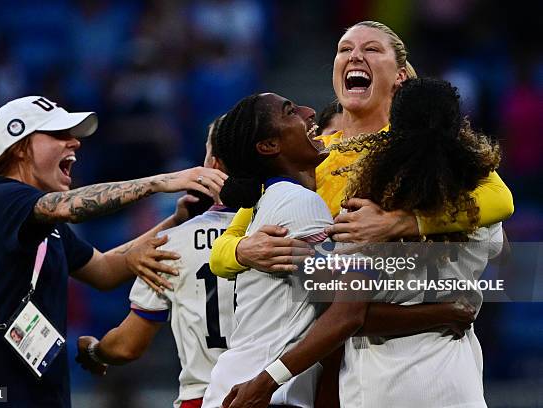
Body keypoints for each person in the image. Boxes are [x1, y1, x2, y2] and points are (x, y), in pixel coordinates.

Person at [221, 80, 502, 408]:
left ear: (391, 129)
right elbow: (500, 244)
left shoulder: (363, 211)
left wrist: (267, 380)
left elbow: (348, 314)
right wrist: (446, 312)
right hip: (458, 385)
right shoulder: (480, 214)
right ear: (460, 128)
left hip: (377, 388)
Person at [0, 96, 226, 408]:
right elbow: (70, 207)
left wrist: (175, 222)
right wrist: (161, 182)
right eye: (58, 134)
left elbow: (105, 271)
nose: (74, 142)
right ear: (20, 148)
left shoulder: (42, 222)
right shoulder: (0, 199)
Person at [208, 20, 513, 278]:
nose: (354, 56)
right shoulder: (307, 153)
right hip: (321, 331)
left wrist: (400, 223)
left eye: (371, 49)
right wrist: (243, 251)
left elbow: (499, 199)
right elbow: (221, 252)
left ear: (400, 75)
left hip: (396, 325)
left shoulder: (424, 143)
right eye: (344, 49)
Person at [74, 116, 237, 408]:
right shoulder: (296, 229)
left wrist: (96, 352)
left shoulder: (172, 243)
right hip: (282, 394)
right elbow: (338, 309)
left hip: (206, 398)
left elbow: (126, 347)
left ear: (212, 163)